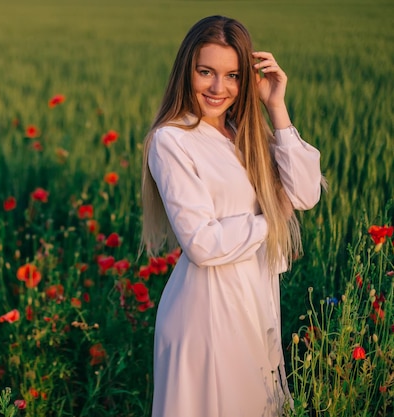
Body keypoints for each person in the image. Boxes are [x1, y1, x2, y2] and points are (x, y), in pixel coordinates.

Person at [140, 15, 324, 417]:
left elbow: (306, 193)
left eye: (232, 75)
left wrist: (275, 105)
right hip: (206, 311)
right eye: (205, 72)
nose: (218, 88)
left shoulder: (246, 135)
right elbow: (202, 243)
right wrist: (270, 219)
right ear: (186, 71)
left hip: (255, 300)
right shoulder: (172, 140)